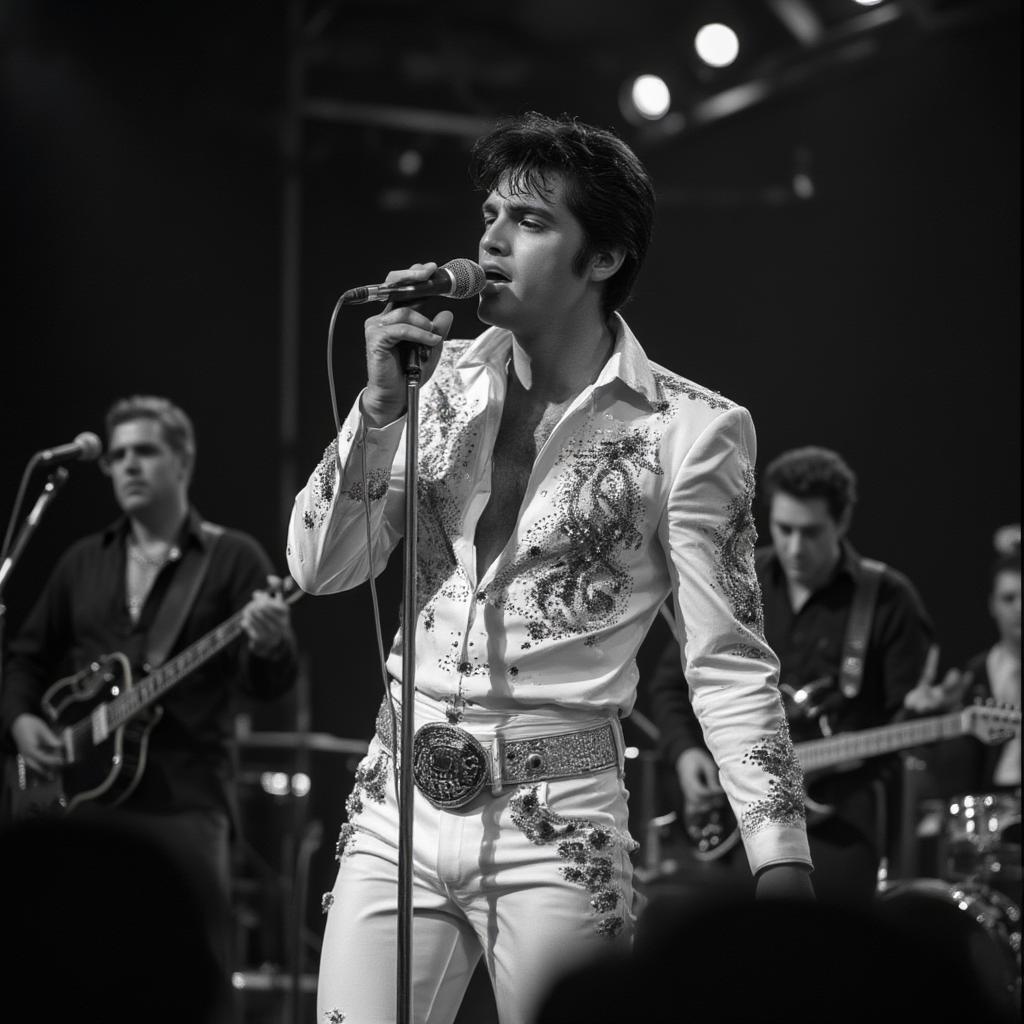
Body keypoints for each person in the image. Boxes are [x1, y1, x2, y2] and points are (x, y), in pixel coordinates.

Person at [287, 110, 813, 1024]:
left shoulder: (687, 432)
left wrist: (781, 859)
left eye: (530, 221)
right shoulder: (431, 383)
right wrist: (375, 412)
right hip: (395, 801)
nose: (491, 239)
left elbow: (726, 659)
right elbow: (319, 568)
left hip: (555, 817)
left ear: (603, 258)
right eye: (490, 213)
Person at [0, 394, 299, 1019]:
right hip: (78, 807)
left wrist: (270, 644)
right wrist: (23, 720)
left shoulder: (231, 556)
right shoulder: (83, 560)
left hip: (183, 802)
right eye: (117, 456)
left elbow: (267, 686)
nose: (128, 465)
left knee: (192, 979)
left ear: (183, 460)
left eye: (145, 451)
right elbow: (27, 656)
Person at [647, 445, 936, 906]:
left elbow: (907, 718)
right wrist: (685, 755)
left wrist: (923, 718)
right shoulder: (736, 579)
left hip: (838, 819)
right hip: (728, 815)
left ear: (841, 523)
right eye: (784, 529)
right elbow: (669, 683)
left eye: (811, 532)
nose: (795, 547)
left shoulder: (888, 598)